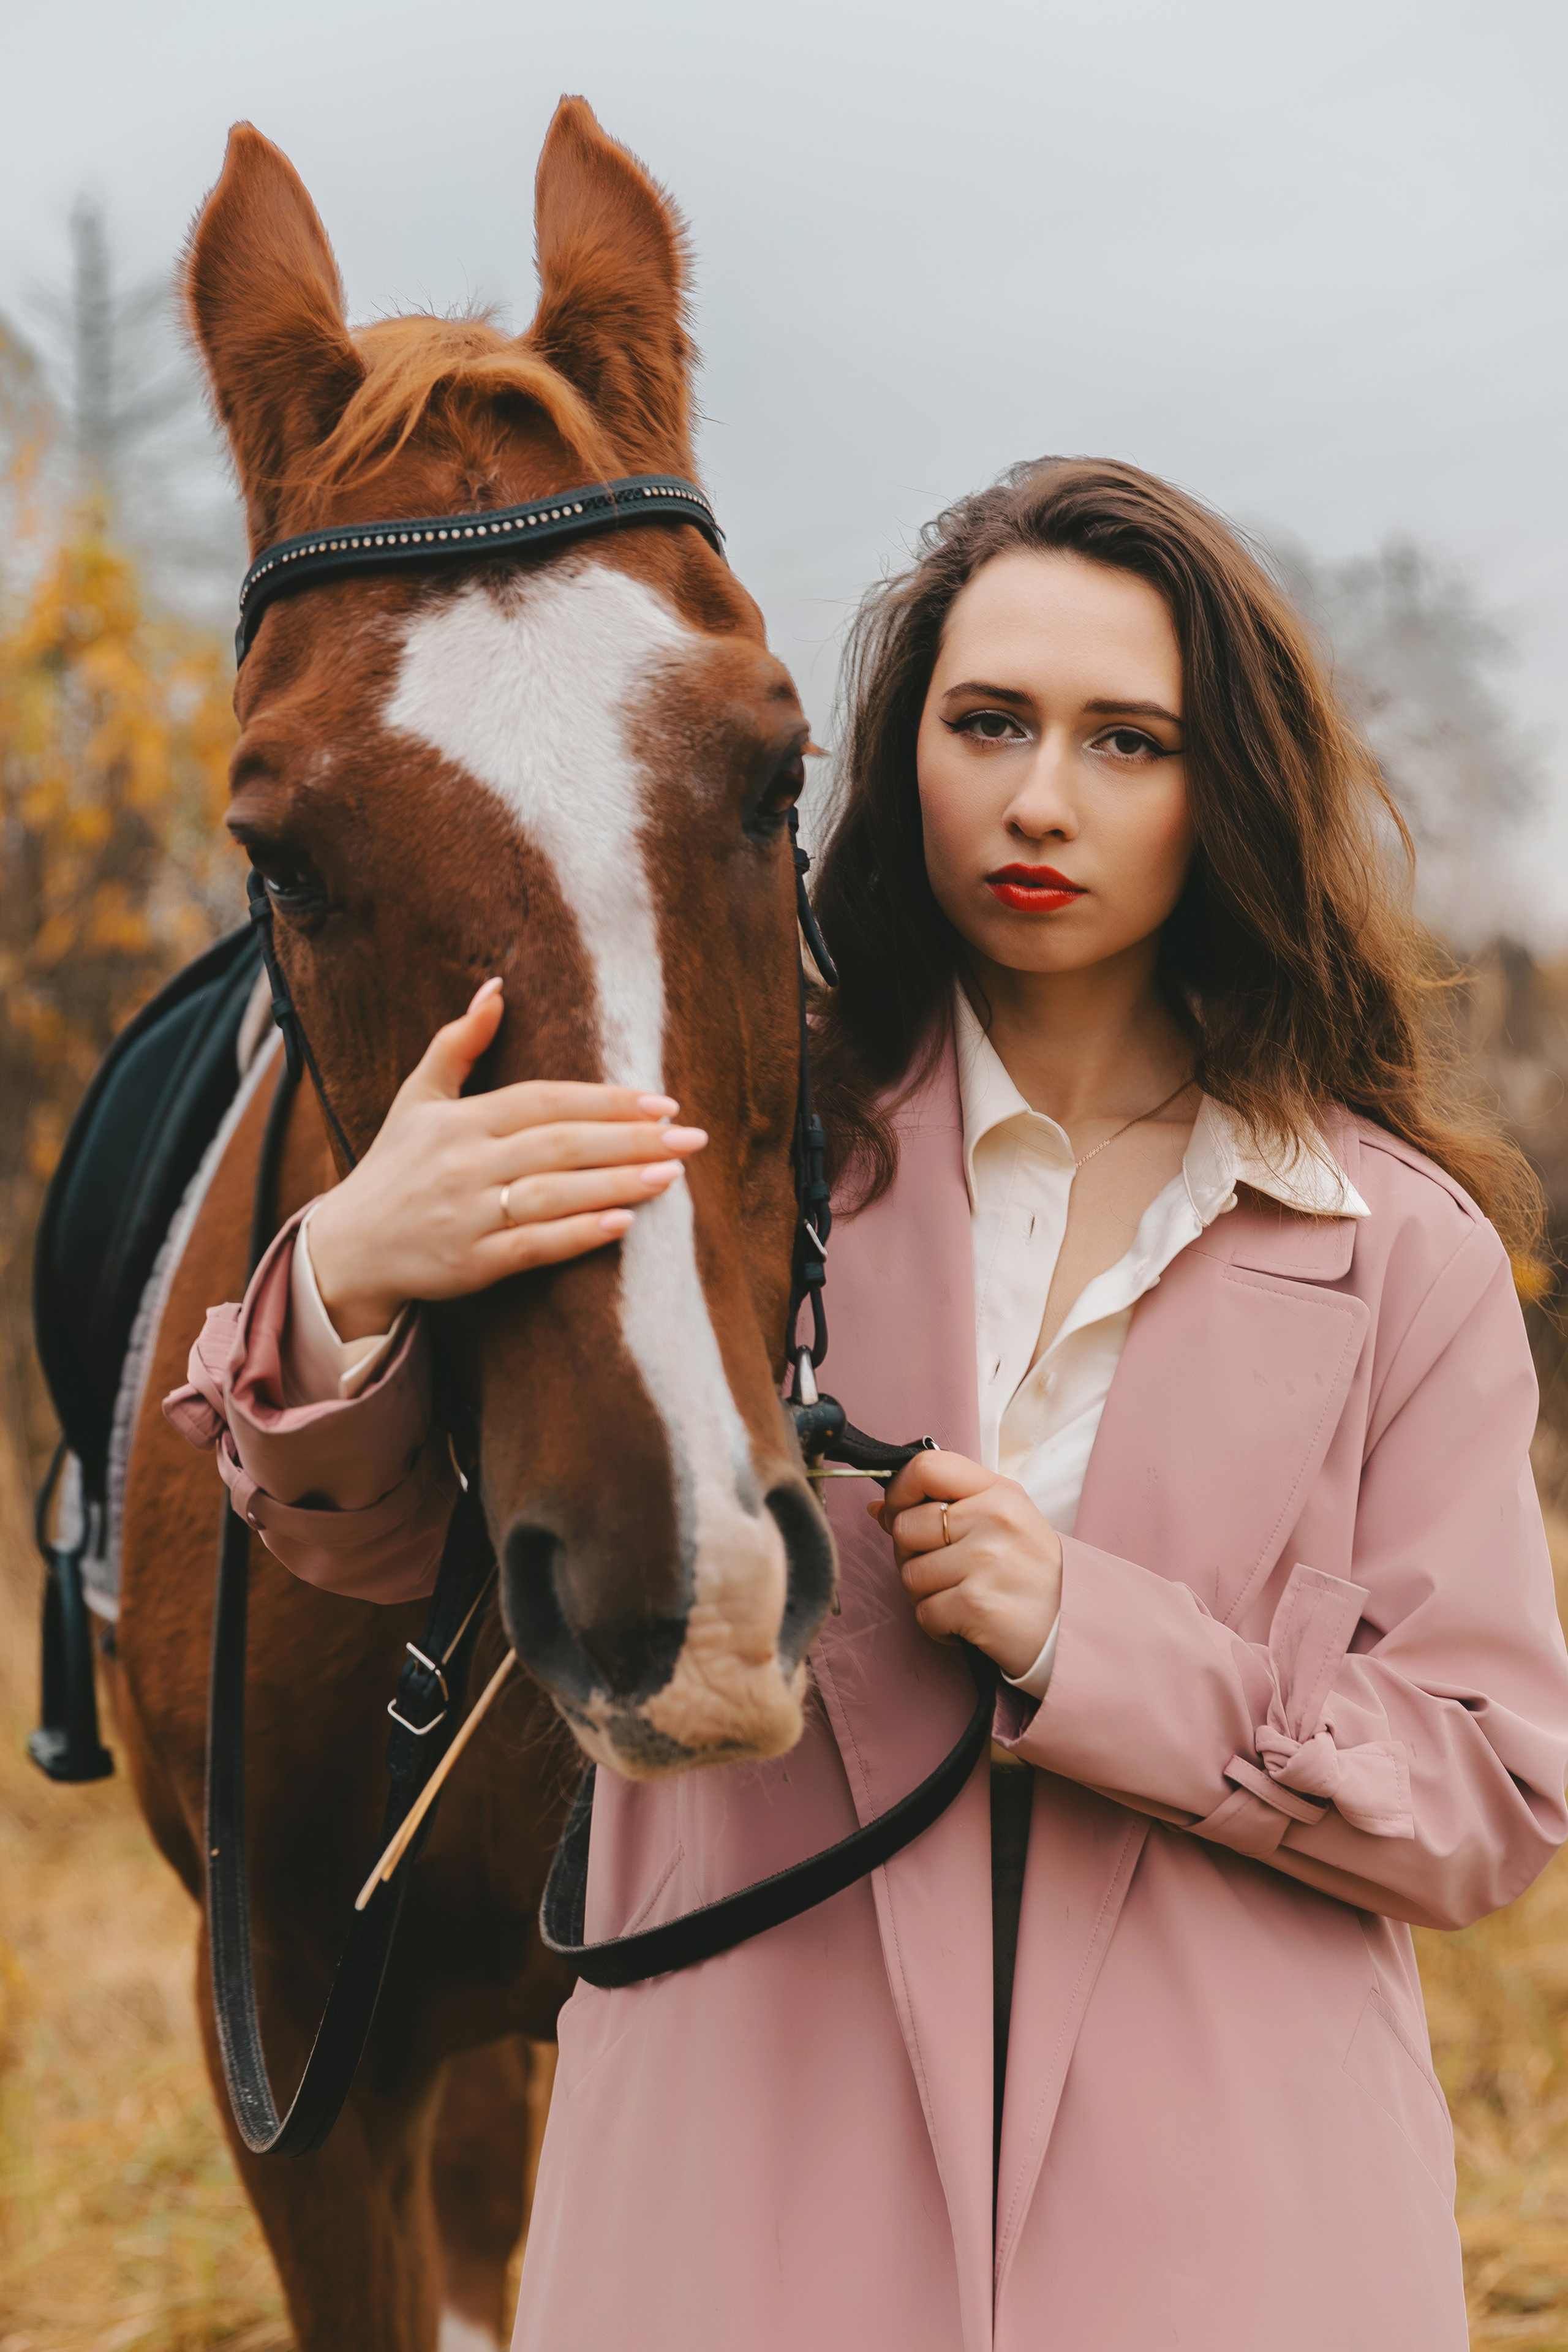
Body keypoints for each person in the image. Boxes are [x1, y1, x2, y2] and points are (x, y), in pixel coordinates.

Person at [170, 457, 1568, 2350]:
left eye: (1127, 740)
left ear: (1221, 786)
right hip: (738, 2226)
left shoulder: (1396, 1249)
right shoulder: (736, 1162)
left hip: (1241, 2237)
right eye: (985, 722)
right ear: (900, 755)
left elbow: (1487, 1792)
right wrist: (352, 1270)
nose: (1041, 799)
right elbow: (386, 1541)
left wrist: (1098, 1642)